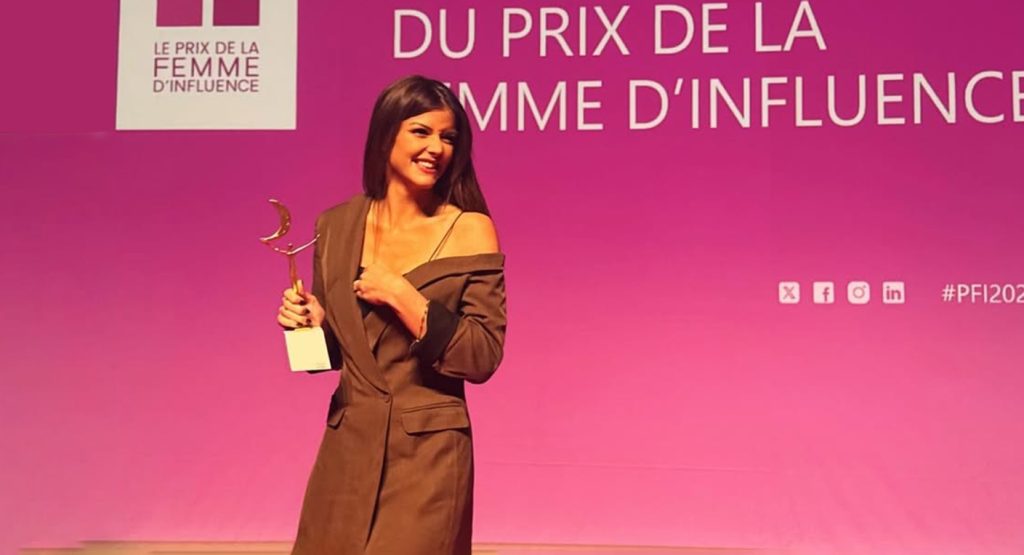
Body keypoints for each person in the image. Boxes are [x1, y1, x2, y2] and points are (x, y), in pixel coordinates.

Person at [276, 75, 507, 555]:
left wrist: (407, 299)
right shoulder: (335, 226)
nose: (436, 148)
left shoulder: (470, 229)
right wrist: (313, 326)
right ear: (386, 135)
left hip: (428, 459)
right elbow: (341, 358)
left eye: (448, 137)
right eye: (421, 131)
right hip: (346, 453)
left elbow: (483, 356)